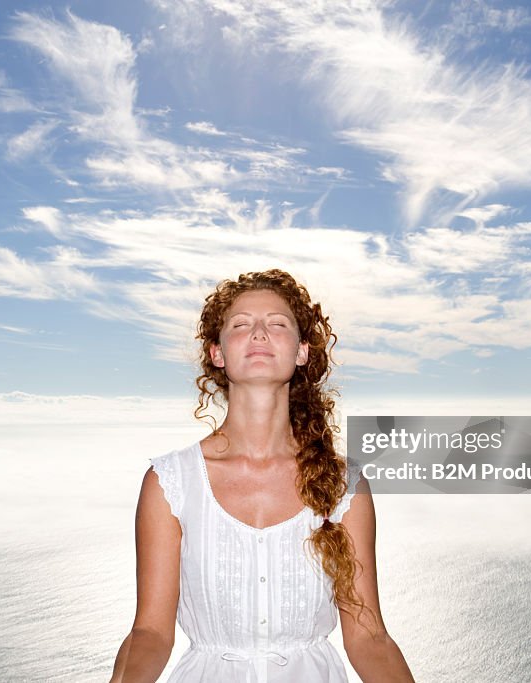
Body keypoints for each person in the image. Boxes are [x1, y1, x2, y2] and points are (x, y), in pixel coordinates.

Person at [110, 269, 414, 682]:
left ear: (302, 351)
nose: (258, 333)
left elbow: (369, 638)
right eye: (240, 324)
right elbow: (149, 632)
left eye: (277, 323)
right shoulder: (170, 483)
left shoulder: (345, 486)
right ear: (217, 354)